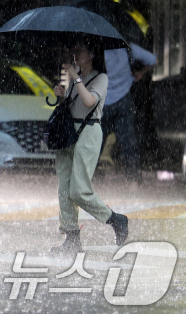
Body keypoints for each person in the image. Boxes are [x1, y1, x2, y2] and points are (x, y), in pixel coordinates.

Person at [51, 36, 129, 255]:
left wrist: (76, 79)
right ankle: (71, 237)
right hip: (68, 133)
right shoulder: (78, 76)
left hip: (89, 133)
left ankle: (115, 219)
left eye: (81, 50)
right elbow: (71, 106)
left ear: (92, 55)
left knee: (79, 189)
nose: (76, 54)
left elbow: (89, 102)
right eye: (75, 50)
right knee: (64, 188)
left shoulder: (100, 78)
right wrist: (61, 96)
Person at [102, 43, 156, 185]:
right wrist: (142, 72)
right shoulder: (129, 48)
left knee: (94, 144)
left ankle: (86, 182)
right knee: (128, 143)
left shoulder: (94, 50)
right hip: (124, 101)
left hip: (101, 104)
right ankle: (133, 181)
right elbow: (154, 60)